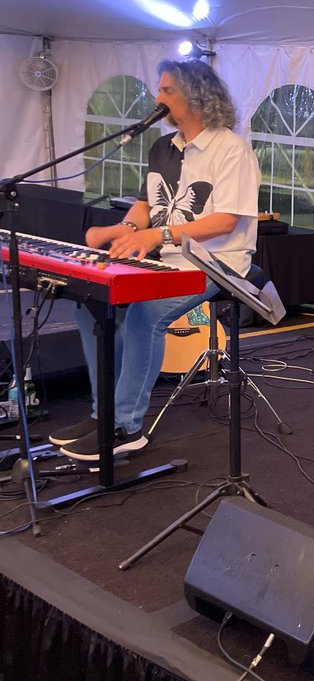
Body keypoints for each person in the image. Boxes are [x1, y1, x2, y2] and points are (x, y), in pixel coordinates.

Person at [51, 59, 261, 460]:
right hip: (166, 258)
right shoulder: (163, 147)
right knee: (89, 304)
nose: (156, 97)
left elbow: (226, 220)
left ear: (196, 96)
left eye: (167, 91)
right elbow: (146, 205)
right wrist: (121, 230)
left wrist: (156, 235)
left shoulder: (231, 150)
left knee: (145, 315)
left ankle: (126, 427)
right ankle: (104, 415)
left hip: (216, 262)